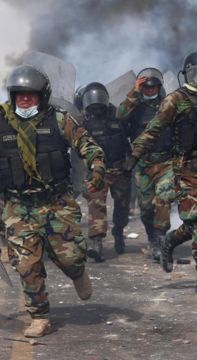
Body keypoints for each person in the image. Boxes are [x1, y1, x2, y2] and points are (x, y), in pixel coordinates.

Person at [0, 64, 105, 338]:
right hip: (18, 206)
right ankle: (40, 316)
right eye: (19, 95)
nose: (24, 100)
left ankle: (77, 272)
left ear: (42, 96)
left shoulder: (60, 120)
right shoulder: (1, 123)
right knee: (26, 264)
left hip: (57, 202)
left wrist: (96, 168)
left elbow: (89, 147)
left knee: (69, 257)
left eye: (30, 95)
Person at [126, 51, 197, 298]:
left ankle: (171, 240)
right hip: (188, 171)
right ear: (190, 74)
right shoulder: (176, 99)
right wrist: (133, 158)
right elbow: (153, 130)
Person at [116, 68, 172, 261]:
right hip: (143, 164)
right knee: (146, 207)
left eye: (153, 88)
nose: (149, 91)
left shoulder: (168, 104)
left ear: (159, 87)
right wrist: (134, 93)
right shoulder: (135, 106)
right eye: (146, 88)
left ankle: (162, 237)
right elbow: (120, 116)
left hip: (166, 162)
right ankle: (153, 239)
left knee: (164, 199)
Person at [80, 82, 131, 261]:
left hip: (119, 168)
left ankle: (118, 231)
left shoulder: (118, 116)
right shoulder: (82, 120)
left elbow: (133, 136)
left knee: (123, 205)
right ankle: (96, 242)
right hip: (96, 171)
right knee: (96, 205)